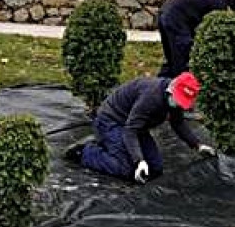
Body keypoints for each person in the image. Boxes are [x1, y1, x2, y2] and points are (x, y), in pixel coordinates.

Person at [66, 72, 215, 182]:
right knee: (126, 169)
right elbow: (130, 130)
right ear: (171, 90)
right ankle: (85, 152)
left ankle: (109, 145)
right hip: (112, 121)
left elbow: (177, 123)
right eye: (178, 100)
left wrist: (197, 145)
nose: (178, 105)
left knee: (155, 168)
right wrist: (139, 161)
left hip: (137, 126)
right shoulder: (151, 97)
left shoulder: (174, 99)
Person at [157, 0, 235, 78]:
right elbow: (211, 32)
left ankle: (161, 83)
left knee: (171, 56)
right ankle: (180, 86)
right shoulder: (219, 7)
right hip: (175, 18)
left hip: (164, 12)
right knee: (183, 56)